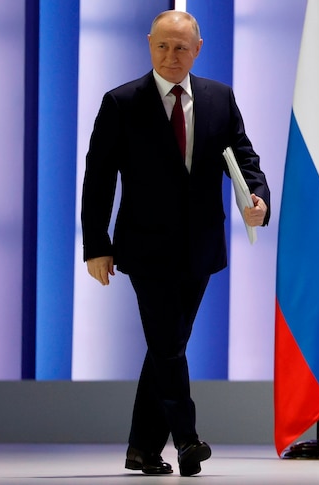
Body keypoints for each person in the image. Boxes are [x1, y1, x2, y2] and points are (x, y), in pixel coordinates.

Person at [81, 10, 270, 477]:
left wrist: (259, 198)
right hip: (144, 249)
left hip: (201, 246)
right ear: (149, 44)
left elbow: (244, 157)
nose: (171, 55)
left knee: (166, 345)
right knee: (167, 344)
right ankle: (186, 439)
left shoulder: (219, 98)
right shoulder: (122, 102)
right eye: (163, 46)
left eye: (181, 47)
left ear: (198, 49)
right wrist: (95, 244)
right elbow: (98, 179)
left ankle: (142, 450)